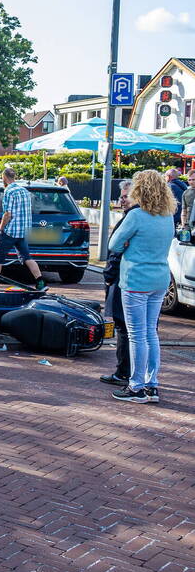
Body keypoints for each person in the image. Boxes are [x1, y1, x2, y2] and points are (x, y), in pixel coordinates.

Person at [108, 169, 177, 404]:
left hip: (136, 279)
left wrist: (128, 244)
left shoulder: (136, 216)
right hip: (160, 278)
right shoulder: (167, 215)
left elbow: (114, 245)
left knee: (137, 335)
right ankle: (152, 384)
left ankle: (136, 386)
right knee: (151, 332)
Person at [98, 180, 134, 387]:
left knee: (123, 327)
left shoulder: (132, 219)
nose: (122, 200)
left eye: (125, 196)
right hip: (141, 281)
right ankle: (136, 373)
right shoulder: (155, 217)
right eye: (121, 196)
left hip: (124, 280)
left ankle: (123, 372)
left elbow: (116, 252)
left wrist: (109, 278)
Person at [0, 167, 45, 292]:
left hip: (10, 231)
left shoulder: (8, 191)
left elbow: (8, 214)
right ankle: (40, 282)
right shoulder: (24, 191)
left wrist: (1, 228)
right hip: (23, 231)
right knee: (27, 257)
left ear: (5, 177)